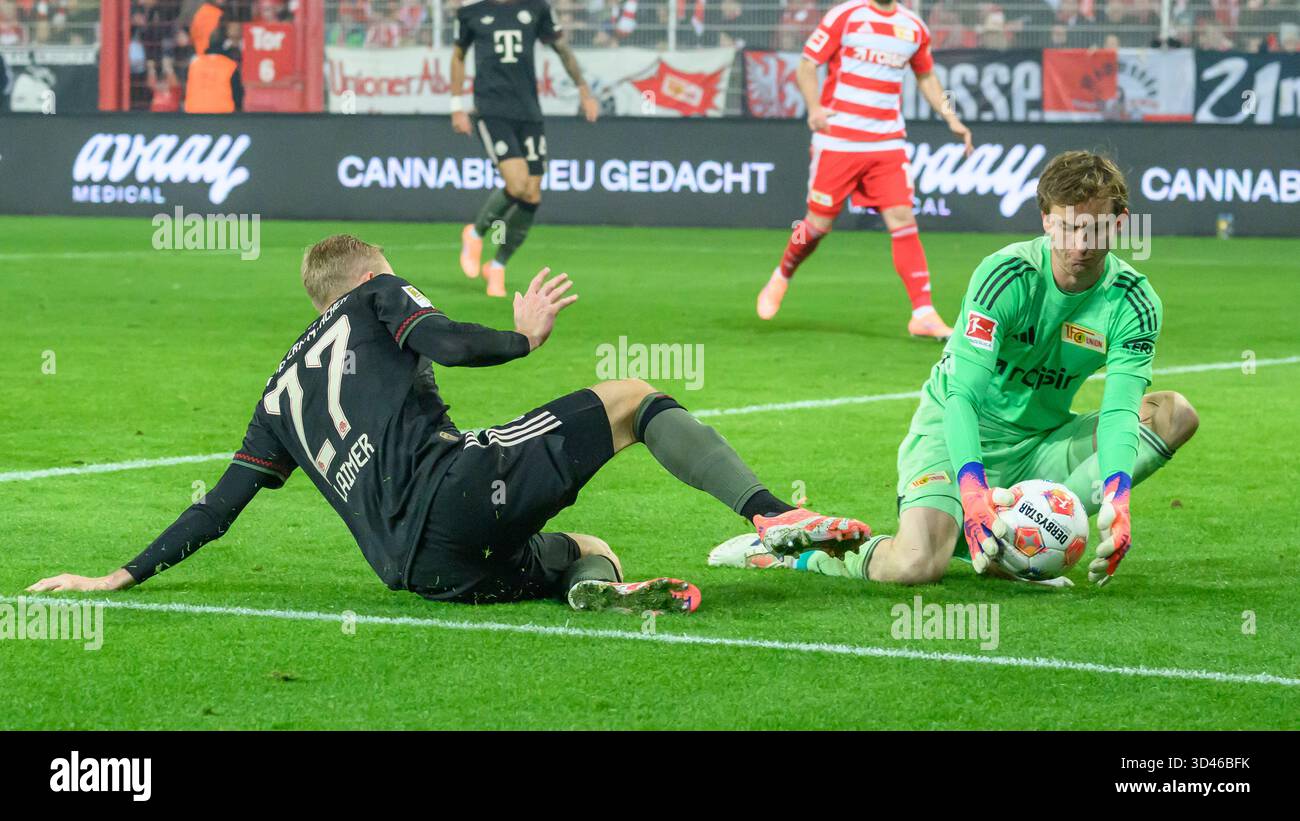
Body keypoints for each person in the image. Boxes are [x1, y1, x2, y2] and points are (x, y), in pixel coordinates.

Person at [29, 236, 871, 613]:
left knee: (585, 546)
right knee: (633, 398)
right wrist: (523, 337)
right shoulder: (375, 293)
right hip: (456, 491)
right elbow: (446, 343)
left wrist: (117, 575)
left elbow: (218, 508)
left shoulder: (276, 395)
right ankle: (772, 515)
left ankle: (592, 587)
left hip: (423, 571)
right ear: (365, 273)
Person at [714, 151, 1199, 589]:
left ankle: (1026, 537)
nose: (1080, 245)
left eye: (1094, 229)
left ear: (1120, 223)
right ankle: (799, 554)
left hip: (1040, 445)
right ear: (1046, 221)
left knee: (1173, 414)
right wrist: (972, 488)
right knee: (917, 565)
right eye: (1067, 228)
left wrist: (1117, 494)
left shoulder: (1134, 302)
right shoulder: (1005, 276)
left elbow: (1119, 412)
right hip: (953, 436)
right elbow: (962, 395)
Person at [755, 0, 975, 342]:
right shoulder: (846, 16)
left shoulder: (914, 27)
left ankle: (923, 313)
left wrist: (951, 117)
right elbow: (807, 64)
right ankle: (782, 273)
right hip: (838, 141)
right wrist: (814, 108)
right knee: (815, 226)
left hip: (887, 142)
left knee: (903, 218)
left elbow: (927, 76)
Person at [451, 0, 600, 297]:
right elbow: (458, 56)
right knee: (517, 184)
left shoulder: (537, 9)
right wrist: (457, 106)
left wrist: (584, 90)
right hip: (492, 109)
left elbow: (562, 48)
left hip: (529, 112)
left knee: (532, 194)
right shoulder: (471, 13)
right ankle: (475, 233)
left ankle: (497, 266)